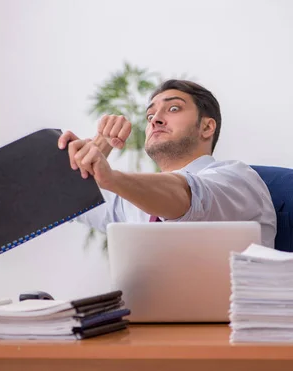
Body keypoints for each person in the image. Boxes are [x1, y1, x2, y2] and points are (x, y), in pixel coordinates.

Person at [58, 79, 277, 248]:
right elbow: (64, 200)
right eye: (150, 115)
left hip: (232, 307)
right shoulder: (131, 201)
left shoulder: (237, 179)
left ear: (207, 127)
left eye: (173, 109)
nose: (155, 120)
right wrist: (97, 149)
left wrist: (112, 178)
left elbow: (187, 196)